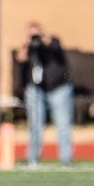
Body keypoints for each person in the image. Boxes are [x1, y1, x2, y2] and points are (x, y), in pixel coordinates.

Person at [16, 22, 74, 167]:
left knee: (62, 124)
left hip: (58, 88)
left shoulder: (52, 42)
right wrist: (26, 42)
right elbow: (20, 59)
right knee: (35, 124)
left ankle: (65, 158)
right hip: (36, 89)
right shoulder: (30, 49)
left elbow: (54, 46)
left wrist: (41, 36)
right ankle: (32, 157)